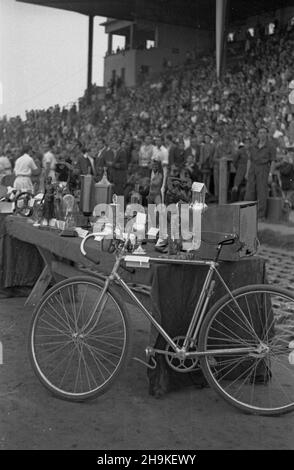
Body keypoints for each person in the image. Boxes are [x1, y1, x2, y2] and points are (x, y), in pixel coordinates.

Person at [245, 127, 276, 220]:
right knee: (250, 191)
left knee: (262, 191)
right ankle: (248, 213)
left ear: (267, 134)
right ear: (258, 134)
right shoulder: (253, 145)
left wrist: (270, 174)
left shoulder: (271, 146)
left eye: (264, 132)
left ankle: (261, 215)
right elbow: (249, 160)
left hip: (263, 168)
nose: (262, 134)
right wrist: (247, 172)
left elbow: (273, 161)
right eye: (260, 132)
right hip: (253, 168)